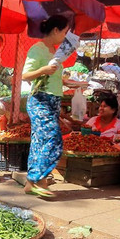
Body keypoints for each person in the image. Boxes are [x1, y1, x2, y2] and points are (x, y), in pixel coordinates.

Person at [22, 16, 71, 199]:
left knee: (39, 142)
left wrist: (67, 82)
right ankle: (37, 178)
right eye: (64, 31)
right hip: (40, 101)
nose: (65, 36)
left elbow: (53, 78)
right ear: (56, 30)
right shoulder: (38, 49)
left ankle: (31, 184)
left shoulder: (55, 52)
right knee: (53, 138)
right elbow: (25, 76)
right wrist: (43, 70)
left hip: (54, 101)